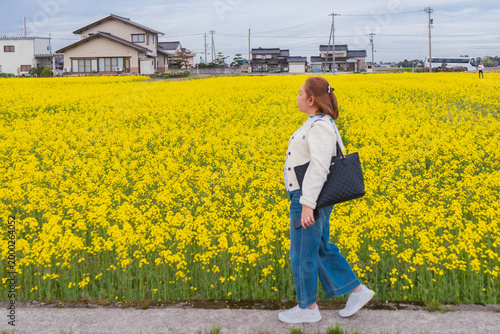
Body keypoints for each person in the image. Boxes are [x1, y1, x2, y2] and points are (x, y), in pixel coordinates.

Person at [279, 77, 374, 324]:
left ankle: (308, 308)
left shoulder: (319, 126)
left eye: (300, 93)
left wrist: (307, 204)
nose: (297, 97)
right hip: (313, 196)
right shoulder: (318, 122)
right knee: (319, 247)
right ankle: (356, 291)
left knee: (303, 253)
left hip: (309, 197)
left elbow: (320, 166)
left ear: (312, 100)